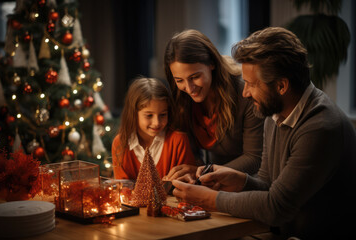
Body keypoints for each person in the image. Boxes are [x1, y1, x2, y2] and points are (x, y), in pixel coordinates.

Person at [171, 27, 356, 239]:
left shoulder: (320, 127)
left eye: (251, 84)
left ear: (281, 86)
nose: (245, 92)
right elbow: (268, 185)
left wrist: (211, 199)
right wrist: (240, 180)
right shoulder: (274, 112)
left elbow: (276, 207)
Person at [163, 29, 264, 181]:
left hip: (248, 183)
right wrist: (197, 170)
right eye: (179, 80)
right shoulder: (182, 98)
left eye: (195, 77)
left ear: (211, 63)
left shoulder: (245, 94)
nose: (189, 89)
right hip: (211, 181)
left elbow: (254, 158)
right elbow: (192, 152)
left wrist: (204, 172)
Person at [112, 77, 197, 180]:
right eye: (149, 115)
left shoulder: (178, 141)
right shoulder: (120, 143)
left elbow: (189, 182)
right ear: (133, 114)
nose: (157, 123)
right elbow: (122, 188)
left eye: (162, 115)